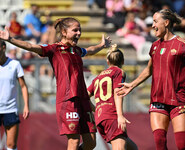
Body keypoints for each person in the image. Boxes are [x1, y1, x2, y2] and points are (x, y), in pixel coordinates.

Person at [0, 17, 111, 150]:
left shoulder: (76, 50)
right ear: (64, 32)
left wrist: (102, 45)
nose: (79, 33)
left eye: (80, 30)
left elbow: (91, 50)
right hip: (68, 100)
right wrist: (10, 39)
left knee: (91, 142)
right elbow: (31, 46)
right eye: (75, 30)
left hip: (83, 100)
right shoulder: (55, 49)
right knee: (74, 141)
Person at [117, 9, 185, 150]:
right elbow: (149, 69)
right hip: (157, 101)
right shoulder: (155, 46)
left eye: (155, 21)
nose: (153, 25)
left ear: (166, 23)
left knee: (181, 146)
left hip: (178, 101)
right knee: (160, 144)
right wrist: (132, 84)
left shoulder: (182, 45)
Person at [87, 44, 138, 150]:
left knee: (132, 148)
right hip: (112, 115)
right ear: (123, 61)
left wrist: (96, 110)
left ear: (107, 61)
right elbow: (117, 92)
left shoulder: (98, 77)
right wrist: (120, 115)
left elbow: (85, 96)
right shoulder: (118, 72)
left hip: (100, 118)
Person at [0, 40, 29, 150]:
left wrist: (26, 105)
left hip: (10, 109)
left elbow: (23, 86)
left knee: (11, 145)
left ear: (3, 48)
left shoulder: (15, 64)